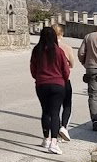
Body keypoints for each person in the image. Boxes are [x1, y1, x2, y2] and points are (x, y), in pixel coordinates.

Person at [30, 25, 70, 154]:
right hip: (57, 85)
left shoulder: (37, 50)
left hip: (41, 85)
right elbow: (66, 70)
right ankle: (54, 142)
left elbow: (33, 69)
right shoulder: (58, 51)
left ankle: (46, 139)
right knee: (55, 113)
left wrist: (39, 77)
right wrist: (63, 80)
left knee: (45, 112)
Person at [52, 23, 73, 140]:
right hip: (64, 80)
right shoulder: (66, 48)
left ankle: (53, 134)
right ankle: (64, 127)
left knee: (54, 107)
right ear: (62, 34)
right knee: (67, 104)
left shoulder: (45, 48)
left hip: (50, 80)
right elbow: (72, 64)